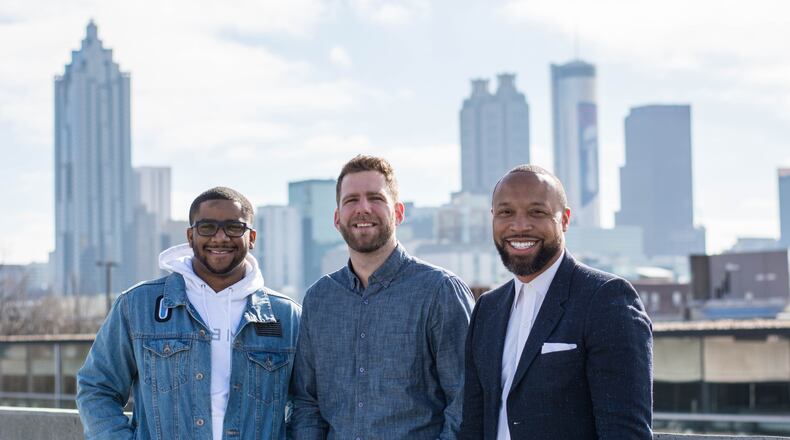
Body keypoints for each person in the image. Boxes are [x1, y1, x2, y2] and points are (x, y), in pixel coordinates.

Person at [76, 187, 301, 440]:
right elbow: (97, 387)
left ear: (252, 237)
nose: (220, 237)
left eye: (234, 227)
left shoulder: (286, 316)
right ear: (190, 236)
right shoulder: (138, 306)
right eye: (207, 227)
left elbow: (306, 404)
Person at [460, 165, 653, 440]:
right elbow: (473, 426)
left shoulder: (606, 300)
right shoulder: (487, 309)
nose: (519, 225)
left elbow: (625, 433)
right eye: (506, 212)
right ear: (493, 218)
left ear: (564, 220)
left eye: (537, 212)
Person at [291, 155, 475, 440]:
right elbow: (306, 403)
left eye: (375, 198)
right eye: (351, 200)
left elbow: (466, 401)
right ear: (337, 218)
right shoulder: (319, 300)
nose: (363, 208)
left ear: (399, 213)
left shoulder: (440, 291)